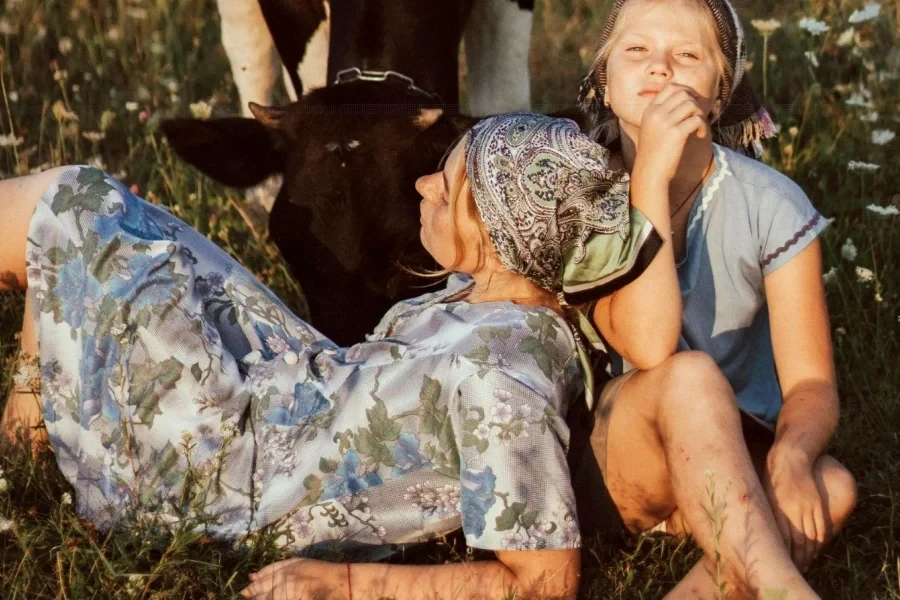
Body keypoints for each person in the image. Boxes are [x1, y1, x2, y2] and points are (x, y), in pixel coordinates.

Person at [0, 112, 818, 599]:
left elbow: (541, 585)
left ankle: (30, 415)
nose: (423, 189)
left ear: (497, 238)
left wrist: (351, 585)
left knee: (71, 202)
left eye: (446, 184)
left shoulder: (501, 378)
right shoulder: (494, 297)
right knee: (105, 213)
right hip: (289, 387)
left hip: (229, 464)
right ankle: (28, 412)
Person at [572, 0, 858, 596]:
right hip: (609, 460)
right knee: (688, 375)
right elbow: (649, 347)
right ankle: (781, 586)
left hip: (722, 459)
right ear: (603, 79)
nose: (660, 69)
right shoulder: (579, 195)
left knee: (833, 487)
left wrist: (792, 455)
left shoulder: (769, 203)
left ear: (721, 90)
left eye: (687, 56)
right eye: (636, 51)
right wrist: (649, 172)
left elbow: (810, 385)